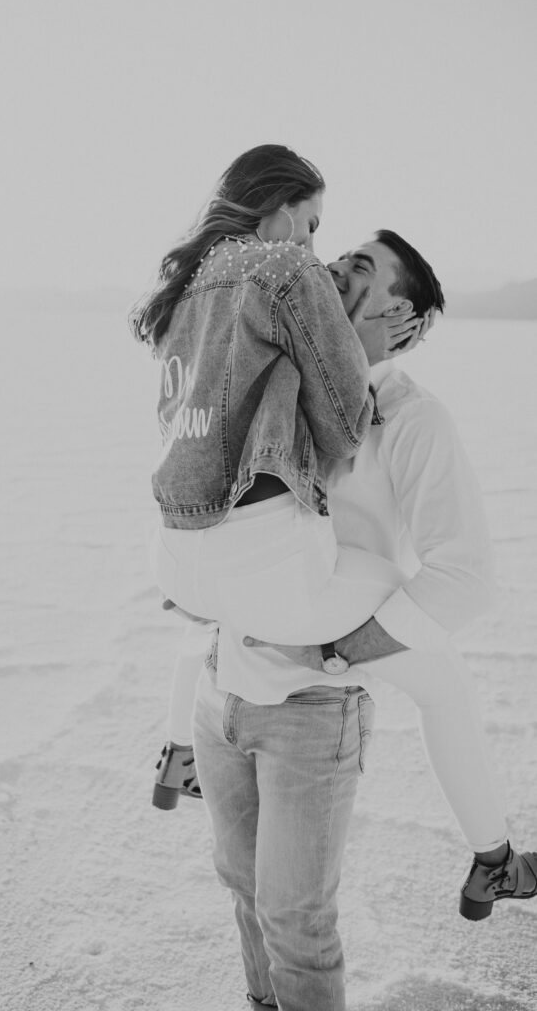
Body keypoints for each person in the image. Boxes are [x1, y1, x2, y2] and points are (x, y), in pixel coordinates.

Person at [189, 230, 537, 1011]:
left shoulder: (412, 420)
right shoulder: (274, 373)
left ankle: (493, 855)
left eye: (359, 270)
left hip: (312, 710)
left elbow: (465, 579)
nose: (334, 269)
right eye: (339, 258)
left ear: (403, 318)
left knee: (296, 925)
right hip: (223, 689)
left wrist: (341, 651)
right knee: (243, 896)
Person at [130, 144, 423, 810]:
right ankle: (491, 843)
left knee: (233, 630)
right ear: (278, 207)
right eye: (310, 223)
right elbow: (344, 427)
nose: (312, 244)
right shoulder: (287, 267)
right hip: (261, 557)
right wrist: (363, 350)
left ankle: (180, 750)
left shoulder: (184, 286)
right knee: (414, 598)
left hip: (175, 556)